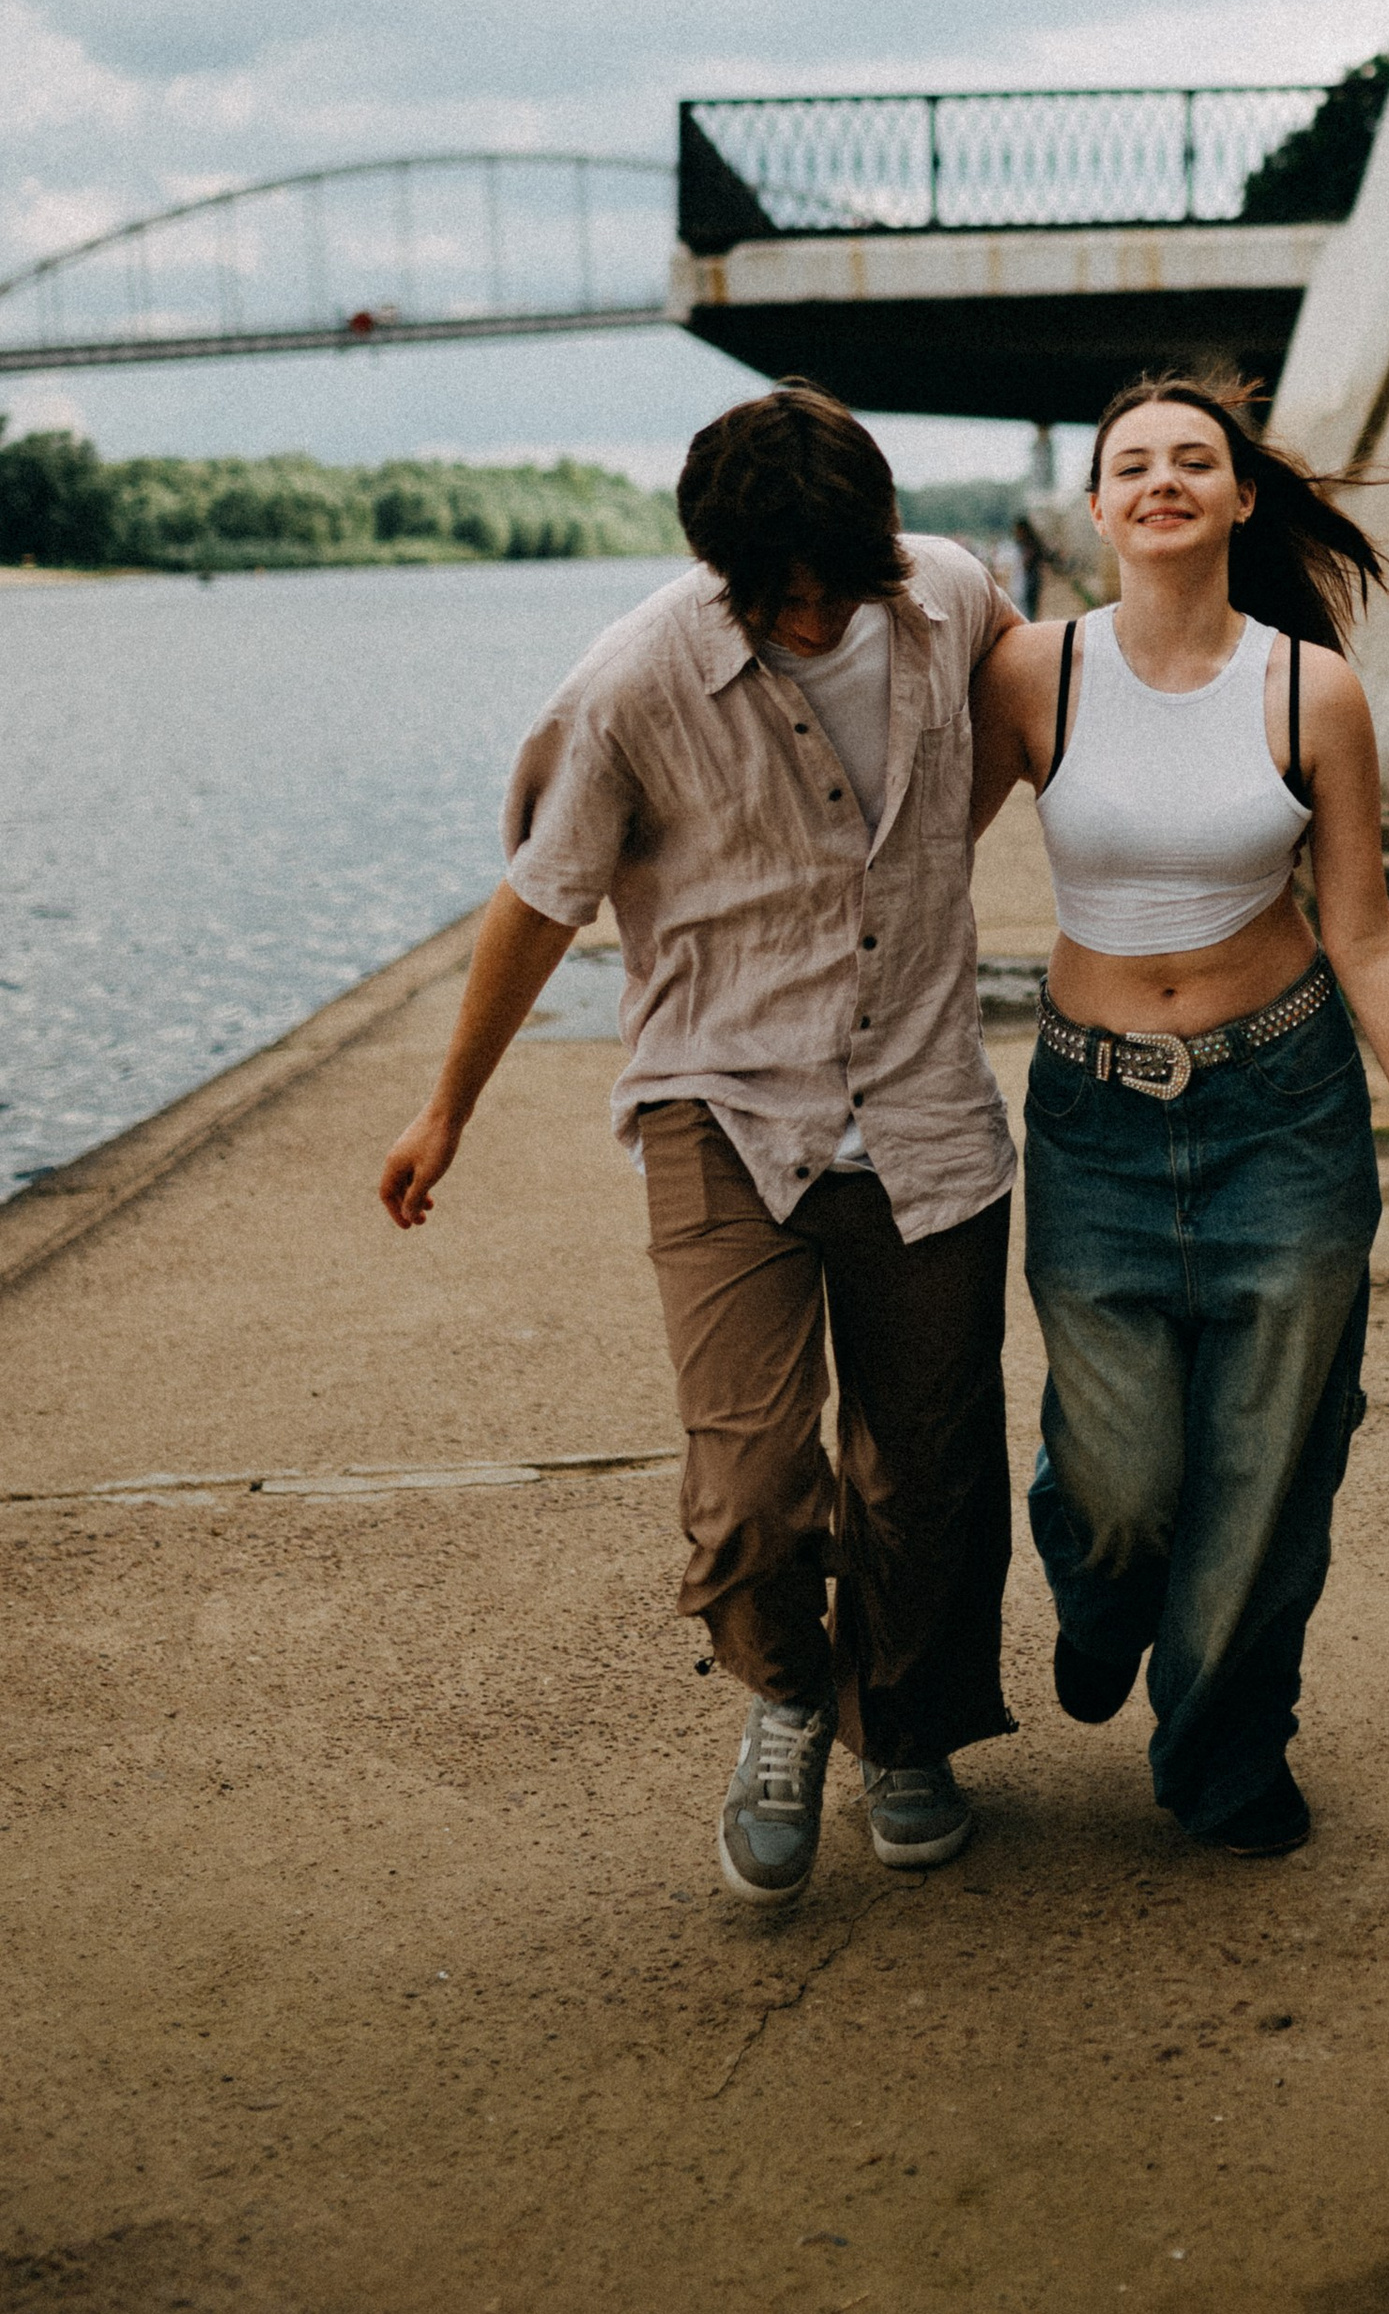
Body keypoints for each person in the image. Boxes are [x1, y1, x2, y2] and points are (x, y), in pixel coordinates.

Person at [377, 380, 1021, 1904]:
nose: (809, 619)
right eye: (775, 596)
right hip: (722, 1107)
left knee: (928, 1473)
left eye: (832, 587)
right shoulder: (633, 680)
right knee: (747, 1490)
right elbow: (543, 895)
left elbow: (1027, 725)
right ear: (726, 568)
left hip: (925, 1106)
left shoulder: (954, 594)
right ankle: (792, 1695)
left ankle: (907, 1729)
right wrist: (446, 1104)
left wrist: (933, 862)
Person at [969, 368, 1389, 1859]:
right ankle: (1101, 1584)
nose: (1161, 480)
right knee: (1123, 1481)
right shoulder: (1036, 674)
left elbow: (1362, 935)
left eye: (1191, 461)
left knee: (1271, 1462)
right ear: (1096, 508)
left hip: (1283, 1112)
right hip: (1092, 1121)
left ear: (1239, 498)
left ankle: (1225, 1753)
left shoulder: (1308, 690)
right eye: (1131, 462)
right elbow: (907, 866)